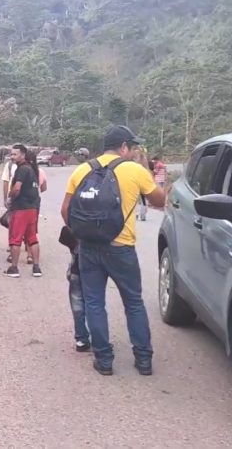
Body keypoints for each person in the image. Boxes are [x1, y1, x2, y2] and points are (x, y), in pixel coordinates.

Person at [61, 125, 166, 376]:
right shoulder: (134, 170)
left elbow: (65, 210)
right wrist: (145, 172)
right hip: (121, 248)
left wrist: (82, 233)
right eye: (132, 147)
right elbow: (160, 201)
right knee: (133, 302)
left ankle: (104, 360)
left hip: (88, 248)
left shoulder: (82, 169)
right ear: (124, 147)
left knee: (95, 303)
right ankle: (143, 360)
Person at [4, 145, 42, 278]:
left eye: (15, 154)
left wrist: (10, 196)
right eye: (11, 154)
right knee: (32, 238)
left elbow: (17, 188)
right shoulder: (32, 170)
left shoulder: (22, 169)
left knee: (16, 238)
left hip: (21, 209)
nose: (12, 157)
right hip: (32, 209)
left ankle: (14, 268)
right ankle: (36, 268)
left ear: (23, 155)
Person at [59, 226, 90, 352]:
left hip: (78, 259)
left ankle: (81, 338)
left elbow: (64, 210)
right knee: (95, 302)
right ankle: (99, 339)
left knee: (77, 302)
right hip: (96, 253)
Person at [132, 147, 151, 222]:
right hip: (142, 181)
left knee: (135, 199)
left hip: (134, 181)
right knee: (143, 200)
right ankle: (142, 215)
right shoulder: (144, 159)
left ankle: (136, 215)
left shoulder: (133, 160)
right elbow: (147, 170)